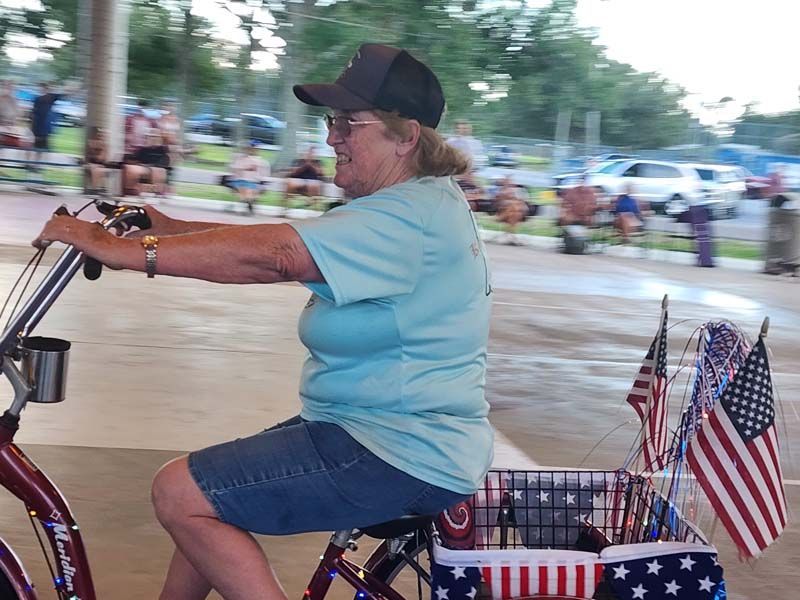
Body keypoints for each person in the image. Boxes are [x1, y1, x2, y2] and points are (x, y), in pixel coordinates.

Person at [33, 43, 494, 599]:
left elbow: (275, 255)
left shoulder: (406, 218)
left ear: (406, 135)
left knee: (180, 494)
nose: (332, 138)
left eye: (350, 122)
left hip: (395, 449)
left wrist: (122, 249)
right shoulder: (409, 205)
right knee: (209, 490)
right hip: (372, 430)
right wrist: (169, 227)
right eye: (332, 121)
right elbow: (285, 239)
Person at [122, 129, 171, 196]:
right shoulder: (143, 149)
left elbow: (165, 161)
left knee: (157, 171)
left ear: (159, 139)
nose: (152, 139)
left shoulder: (162, 150)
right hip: (143, 168)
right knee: (129, 168)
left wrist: (152, 166)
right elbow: (133, 159)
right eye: (150, 137)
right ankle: (129, 189)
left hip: (156, 168)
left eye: (155, 137)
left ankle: (157, 191)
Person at [228, 141, 270, 213]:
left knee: (248, 191)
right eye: (250, 148)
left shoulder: (263, 162)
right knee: (244, 190)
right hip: (240, 180)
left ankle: (248, 201)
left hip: (253, 182)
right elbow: (234, 169)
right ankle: (249, 201)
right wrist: (244, 168)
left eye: (255, 149)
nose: (252, 150)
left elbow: (264, 175)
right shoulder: (240, 158)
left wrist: (262, 184)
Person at [282, 145, 325, 211]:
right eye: (308, 152)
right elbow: (293, 173)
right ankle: (285, 206)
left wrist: (310, 165)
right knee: (290, 182)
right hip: (298, 181)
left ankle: (311, 204)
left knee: (313, 184)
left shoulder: (318, 162)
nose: (310, 154)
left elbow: (321, 173)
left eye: (312, 153)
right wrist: (305, 165)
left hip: (313, 181)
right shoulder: (298, 161)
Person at [493, 175, 530, 244]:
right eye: (507, 182)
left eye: (510, 182)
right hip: (502, 213)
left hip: (513, 214)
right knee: (513, 210)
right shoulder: (500, 191)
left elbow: (522, 202)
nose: (509, 183)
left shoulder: (517, 191)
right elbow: (497, 203)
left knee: (514, 212)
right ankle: (512, 235)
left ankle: (508, 234)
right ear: (504, 183)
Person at [84, 126, 108, 194]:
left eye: (102, 135)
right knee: (94, 168)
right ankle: (94, 188)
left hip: (100, 164)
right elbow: (89, 155)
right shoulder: (90, 143)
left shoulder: (105, 145)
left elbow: (103, 158)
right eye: (99, 134)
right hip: (92, 163)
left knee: (98, 169)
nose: (100, 136)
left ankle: (97, 188)